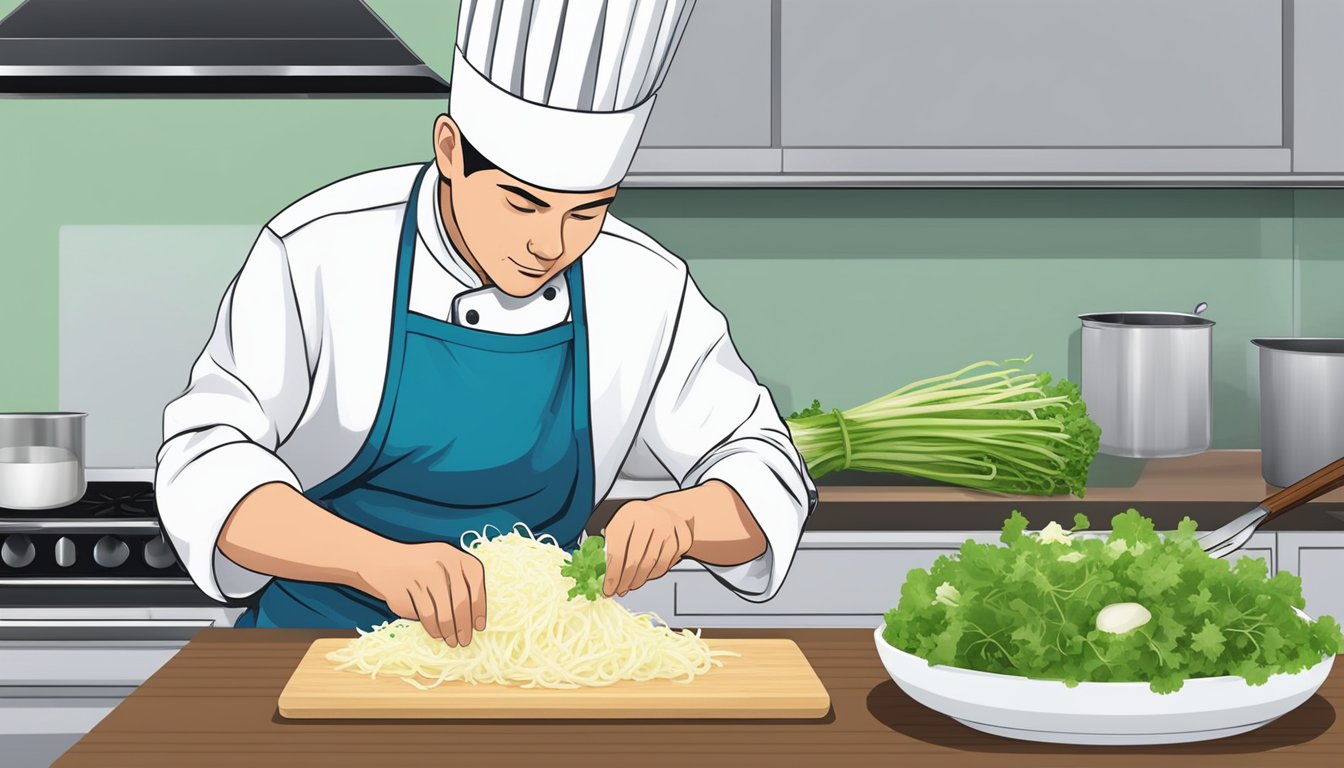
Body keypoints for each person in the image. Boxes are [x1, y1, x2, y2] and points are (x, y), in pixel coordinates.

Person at [155, 0, 816, 646]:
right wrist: (376, 562)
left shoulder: (645, 285)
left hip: (527, 663)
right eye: (521, 204)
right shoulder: (318, 251)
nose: (549, 244)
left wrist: (683, 518)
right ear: (449, 149)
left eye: (585, 213)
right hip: (310, 650)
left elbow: (765, 468)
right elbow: (205, 460)